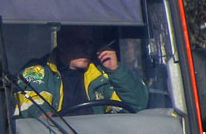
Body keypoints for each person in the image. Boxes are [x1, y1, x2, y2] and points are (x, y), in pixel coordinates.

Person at [15, 25, 148, 115]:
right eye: (80, 43)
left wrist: (116, 70)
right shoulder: (38, 72)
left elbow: (137, 104)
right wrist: (45, 117)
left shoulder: (101, 74)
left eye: (90, 43)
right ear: (62, 43)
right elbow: (33, 105)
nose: (87, 49)